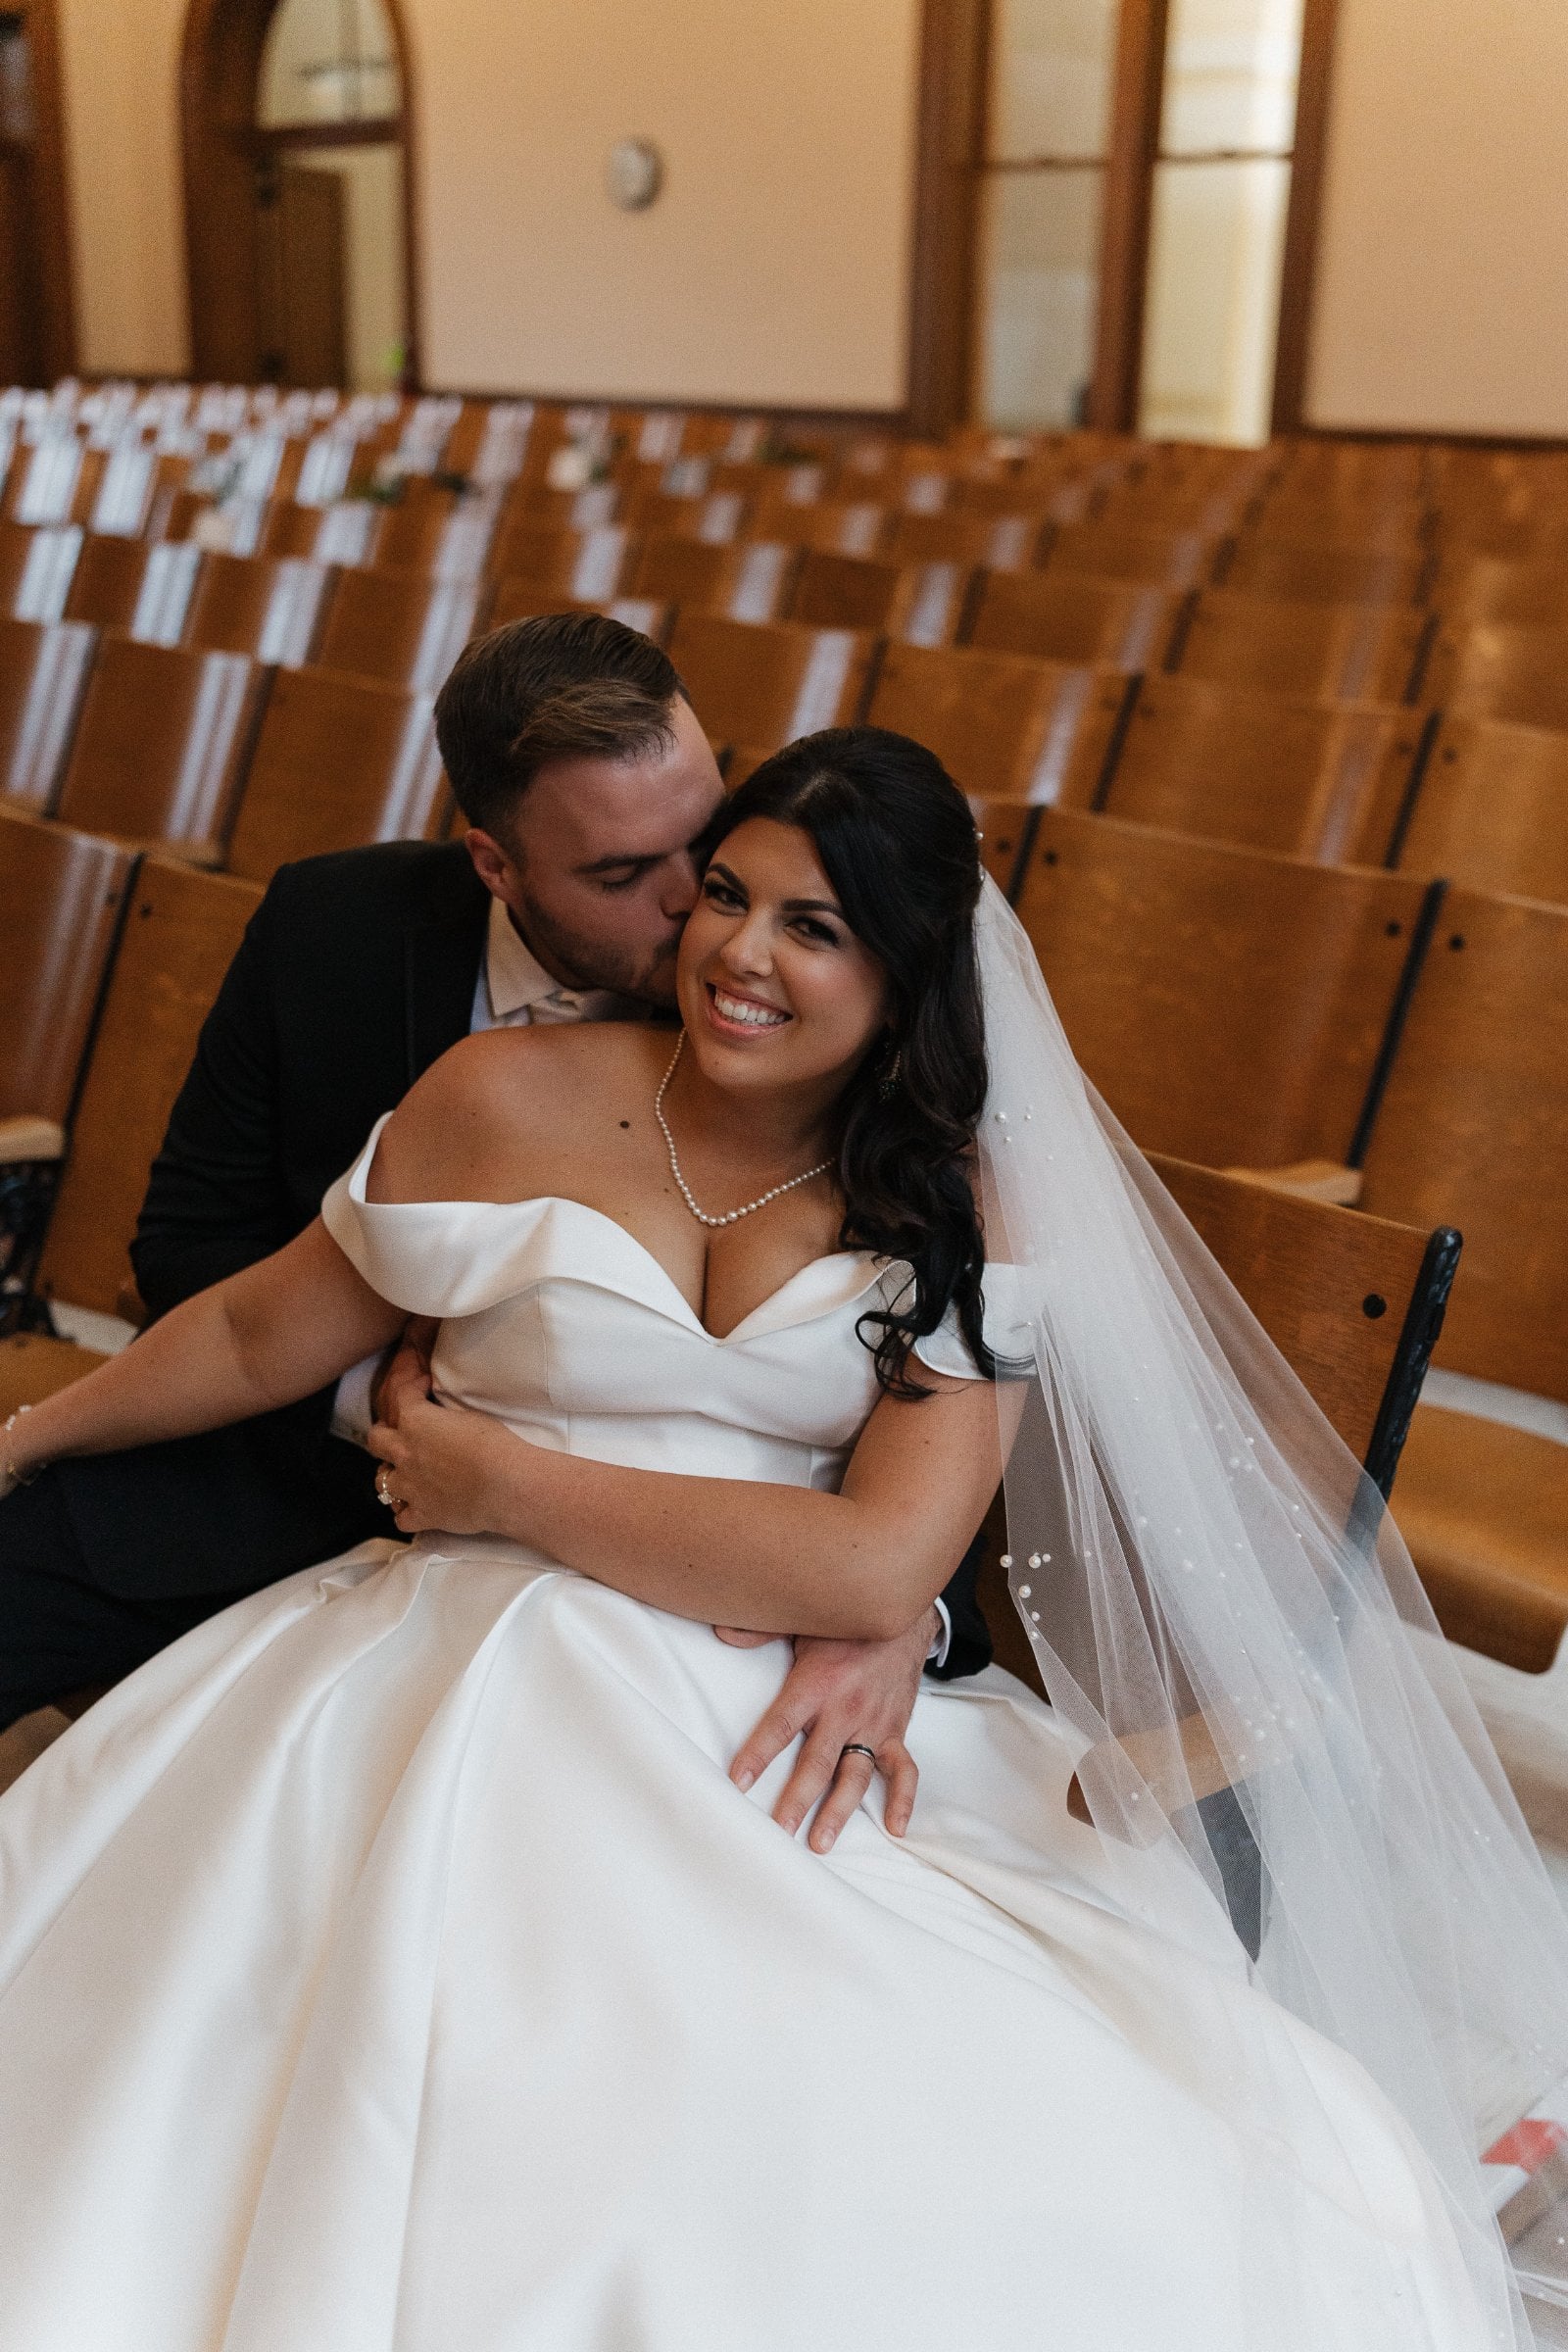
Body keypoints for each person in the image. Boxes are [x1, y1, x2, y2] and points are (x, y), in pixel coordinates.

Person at [0, 727, 1563, 2350]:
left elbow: (883, 1566)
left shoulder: (958, 1200)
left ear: (908, 969)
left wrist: (500, 1484)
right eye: (726, 898)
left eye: (812, 927)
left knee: (850, 2101)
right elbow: (264, 1332)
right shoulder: (499, 1092)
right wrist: (33, 1431)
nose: (739, 955)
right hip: (446, 1646)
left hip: (762, 1696)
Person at [0, 614, 991, 1852]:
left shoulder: (934, 1158)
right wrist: (26, 1438)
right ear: (496, 862)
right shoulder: (363, 958)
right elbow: (234, 1299)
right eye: (637, 876)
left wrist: (895, 1611)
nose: (705, 920)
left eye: (708, 844)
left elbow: (903, 1516)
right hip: (344, 1513)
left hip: (733, 1636)